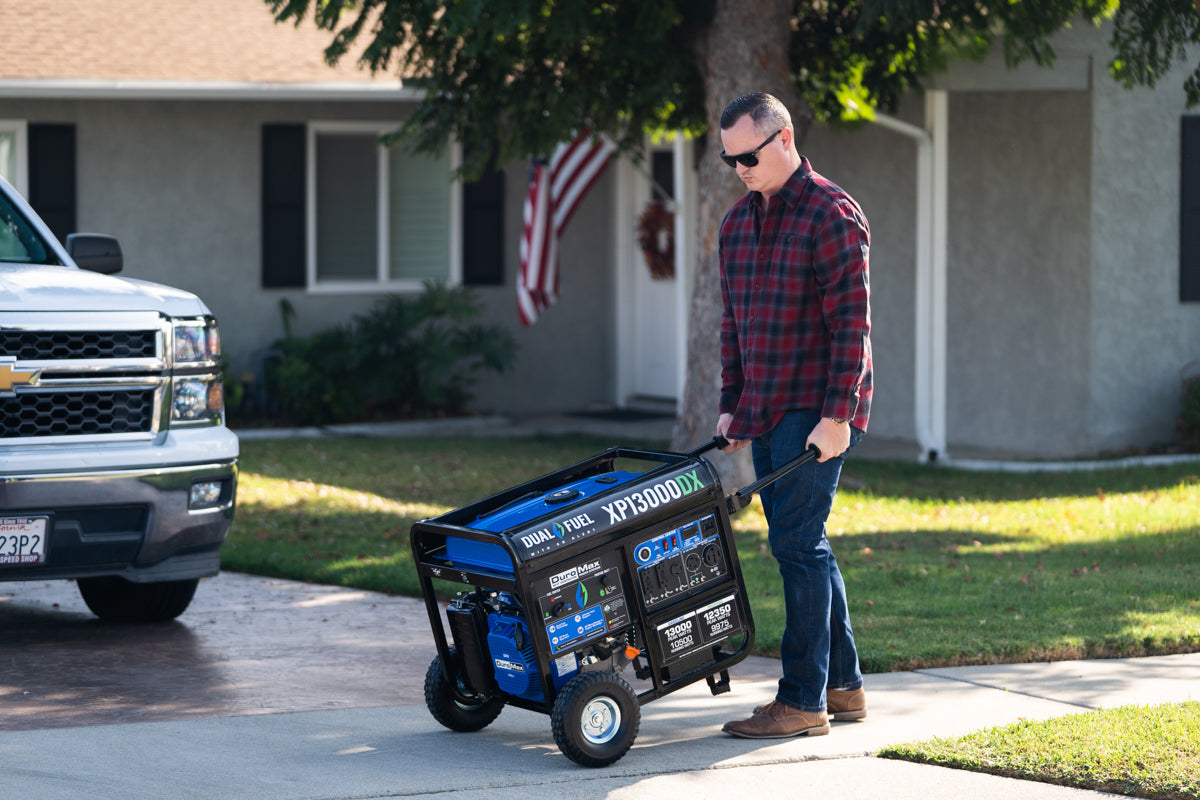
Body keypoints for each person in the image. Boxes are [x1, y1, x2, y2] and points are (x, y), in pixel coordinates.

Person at [714, 92, 873, 739]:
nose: (739, 169)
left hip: (817, 411)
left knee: (796, 543)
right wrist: (730, 404)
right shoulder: (735, 224)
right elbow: (733, 324)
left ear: (783, 140)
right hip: (766, 407)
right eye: (729, 160)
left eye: (748, 156)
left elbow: (852, 328)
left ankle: (802, 701)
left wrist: (837, 417)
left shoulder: (832, 213)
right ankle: (845, 687)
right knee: (804, 546)